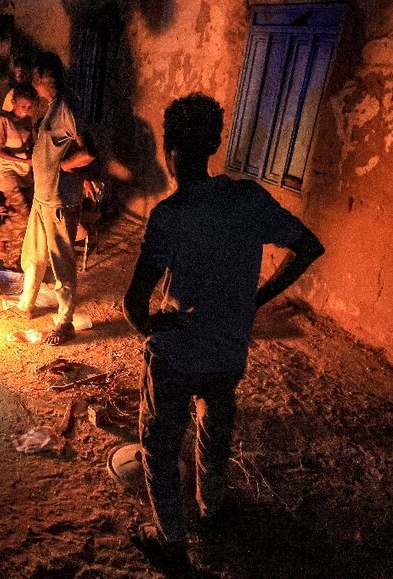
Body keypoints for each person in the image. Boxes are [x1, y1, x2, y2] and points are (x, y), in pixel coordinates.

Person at [122, 93, 324, 571]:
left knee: (159, 443)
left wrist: (148, 326)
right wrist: (254, 301)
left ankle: (171, 538)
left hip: (177, 354)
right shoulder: (249, 199)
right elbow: (309, 246)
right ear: (213, 143)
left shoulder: (170, 213)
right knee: (214, 428)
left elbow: (134, 302)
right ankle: (211, 507)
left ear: (169, 147)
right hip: (228, 349)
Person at [2, 52, 96, 345]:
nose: (32, 81)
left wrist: (67, 167)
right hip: (44, 197)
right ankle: (25, 305)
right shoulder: (53, 108)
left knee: (61, 261)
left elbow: (90, 150)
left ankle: (64, 321)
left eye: (35, 76)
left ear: (45, 78)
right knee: (35, 255)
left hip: (58, 200)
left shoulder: (68, 107)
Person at [0, 82, 36, 269]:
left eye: (30, 107)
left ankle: (12, 261)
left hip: (24, 174)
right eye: (23, 106)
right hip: (7, 170)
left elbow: (27, 149)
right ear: (13, 103)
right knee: (23, 216)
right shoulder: (3, 120)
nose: (26, 110)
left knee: (23, 218)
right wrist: (24, 162)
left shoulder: (27, 123)